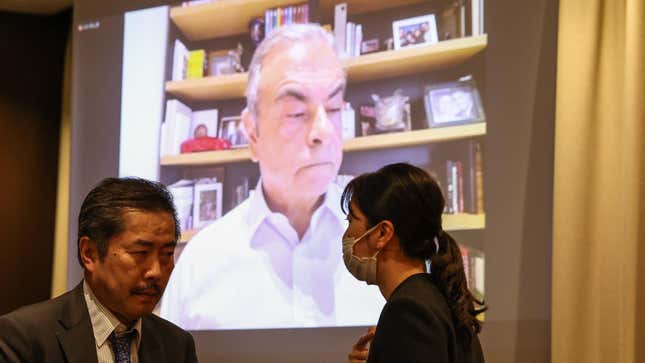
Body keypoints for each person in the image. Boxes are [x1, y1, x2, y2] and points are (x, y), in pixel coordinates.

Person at [160, 24, 384, 330]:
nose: (324, 131)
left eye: (333, 107)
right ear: (252, 133)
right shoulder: (199, 265)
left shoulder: (391, 250)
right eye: (295, 112)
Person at [0, 178, 197, 363]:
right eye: (140, 253)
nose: (155, 271)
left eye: (167, 254)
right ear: (89, 253)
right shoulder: (25, 338)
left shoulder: (177, 346)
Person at [342, 163, 485, 363]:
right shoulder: (435, 298)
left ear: (383, 233)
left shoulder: (408, 311)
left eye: (352, 221)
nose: (347, 235)